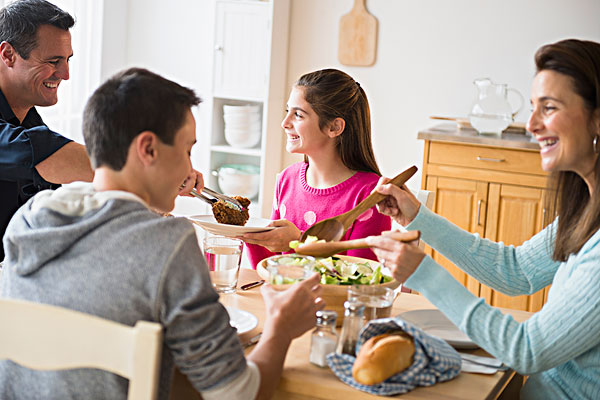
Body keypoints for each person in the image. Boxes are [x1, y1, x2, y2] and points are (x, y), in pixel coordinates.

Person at [0, 67, 325, 400]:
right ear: (149, 149)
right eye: (186, 150)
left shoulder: (29, 220)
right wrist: (280, 330)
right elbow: (238, 395)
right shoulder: (169, 243)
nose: (189, 168)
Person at [366, 39, 600, 399]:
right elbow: (516, 270)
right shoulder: (587, 209)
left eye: (549, 108)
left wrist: (422, 273)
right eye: (533, 108)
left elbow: (528, 350)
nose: (532, 125)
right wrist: (418, 218)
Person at [243, 69, 392, 267]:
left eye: (298, 115)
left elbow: (360, 280)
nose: (284, 123)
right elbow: (271, 268)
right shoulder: (287, 179)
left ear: (334, 127)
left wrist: (299, 242)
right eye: (287, 111)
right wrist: (249, 235)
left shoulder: (370, 196)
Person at [0, 0, 95, 262]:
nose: (65, 74)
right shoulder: (29, 136)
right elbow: (36, 152)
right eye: (54, 61)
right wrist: (147, 173)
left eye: (67, 60)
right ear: (8, 55)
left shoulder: (29, 120)